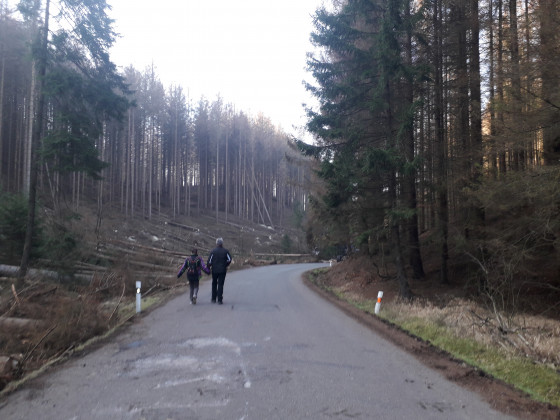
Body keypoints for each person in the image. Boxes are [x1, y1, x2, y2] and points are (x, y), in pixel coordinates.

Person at [206, 237, 232, 304]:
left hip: (214, 270)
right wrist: (225, 265)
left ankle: (213, 298)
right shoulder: (225, 251)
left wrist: (209, 268)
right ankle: (220, 300)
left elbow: (209, 262)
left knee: (214, 283)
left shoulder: (213, 251)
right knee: (220, 284)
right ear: (222, 243)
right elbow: (229, 260)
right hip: (222, 270)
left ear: (216, 243)